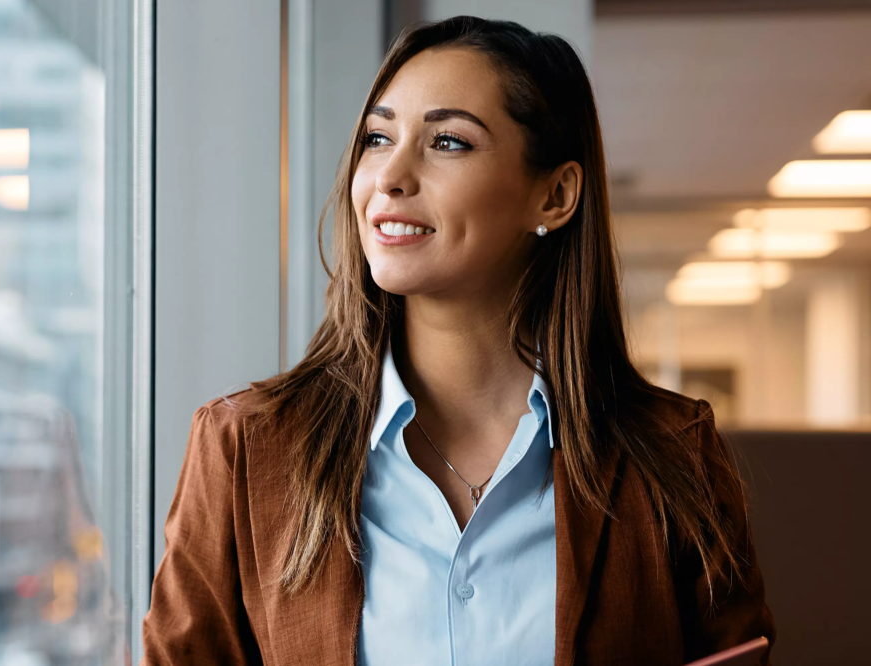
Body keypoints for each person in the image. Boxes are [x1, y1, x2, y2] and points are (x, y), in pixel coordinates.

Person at [141, 16, 774, 665]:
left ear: (555, 195)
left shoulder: (672, 458)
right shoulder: (246, 450)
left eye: (447, 142)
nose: (390, 175)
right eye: (378, 137)